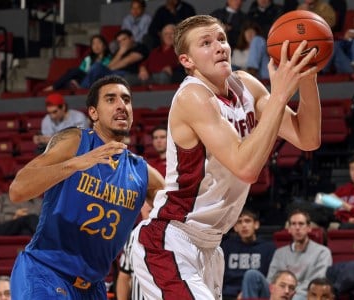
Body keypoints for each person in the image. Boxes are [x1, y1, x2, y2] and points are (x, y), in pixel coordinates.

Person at [131, 14, 323, 299]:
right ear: (187, 61)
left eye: (221, 38)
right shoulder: (193, 97)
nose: (219, 46)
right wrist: (281, 93)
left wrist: (307, 76)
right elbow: (246, 168)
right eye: (206, 43)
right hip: (170, 239)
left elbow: (307, 138)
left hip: (211, 245)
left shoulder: (246, 85)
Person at [9, 75, 165, 299]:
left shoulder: (141, 171)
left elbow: (181, 210)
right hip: (45, 272)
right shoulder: (75, 141)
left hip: (92, 287)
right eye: (111, 100)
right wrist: (75, 163)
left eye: (126, 100)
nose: (121, 105)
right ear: (93, 113)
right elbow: (18, 190)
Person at [242, 210, 332, 300]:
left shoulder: (322, 252)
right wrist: (279, 291)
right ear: (289, 229)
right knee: (251, 274)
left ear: (309, 228)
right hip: (277, 292)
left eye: (301, 224)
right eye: (293, 224)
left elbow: (316, 283)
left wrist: (289, 290)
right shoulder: (279, 253)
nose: (297, 228)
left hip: (302, 294)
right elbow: (270, 279)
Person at [221, 209, 276, 300]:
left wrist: (245, 291)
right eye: (239, 222)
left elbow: (269, 279)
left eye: (248, 221)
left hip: (257, 292)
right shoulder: (226, 246)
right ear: (235, 227)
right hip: (228, 294)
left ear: (256, 224)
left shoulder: (268, 248)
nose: (244, 225)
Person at [80, 30, 149, 88]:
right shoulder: (118, 51)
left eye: (124, 39)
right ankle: (83, 89)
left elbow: (127, 61)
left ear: (131, 38)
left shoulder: (140, 47)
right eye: (119, 41)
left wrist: (121, 52)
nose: (122, 43)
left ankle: (82, 88)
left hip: (128, 74)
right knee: (97, 67)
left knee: (98, 69)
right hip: (114, 73)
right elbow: (110, 65)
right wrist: (120, 53)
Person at [42, 35, 112, 92]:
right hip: (85, 78)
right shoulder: (88, 59)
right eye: (93, 44)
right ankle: (76, 86)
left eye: (99, 43)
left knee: (74, 73)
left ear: (104, 45)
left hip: (99, 77)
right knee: (72, 76)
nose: (96, 46)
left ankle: (54, 87)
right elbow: (81, 71)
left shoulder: (110, 58)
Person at [116, 202, 152, 300]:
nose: (151, 204)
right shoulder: (133, 236)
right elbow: (124, 276)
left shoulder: (178, 237)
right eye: (148, 198)